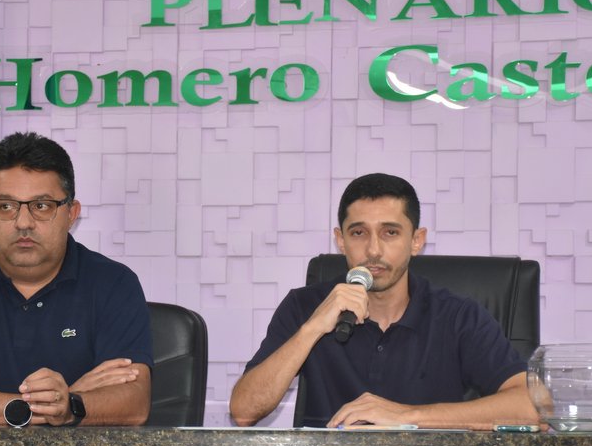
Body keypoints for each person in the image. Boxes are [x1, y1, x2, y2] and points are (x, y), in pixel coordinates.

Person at [230, 173, 538, 429]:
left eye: (390, 232)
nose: (373, 250)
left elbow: (534, 407)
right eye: (358, 233)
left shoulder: (458, 316)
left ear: (416, 240)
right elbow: (243, 412)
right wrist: (312, 329)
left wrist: (406, 417)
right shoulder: (304, 305)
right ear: (340, 240)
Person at [0, 132, 152, 426]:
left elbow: (134, 404)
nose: (23, 223)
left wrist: (67, 405)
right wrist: (56, 406)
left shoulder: (113, 282)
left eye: (42, 206)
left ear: (71, 213)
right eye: (6, 206)